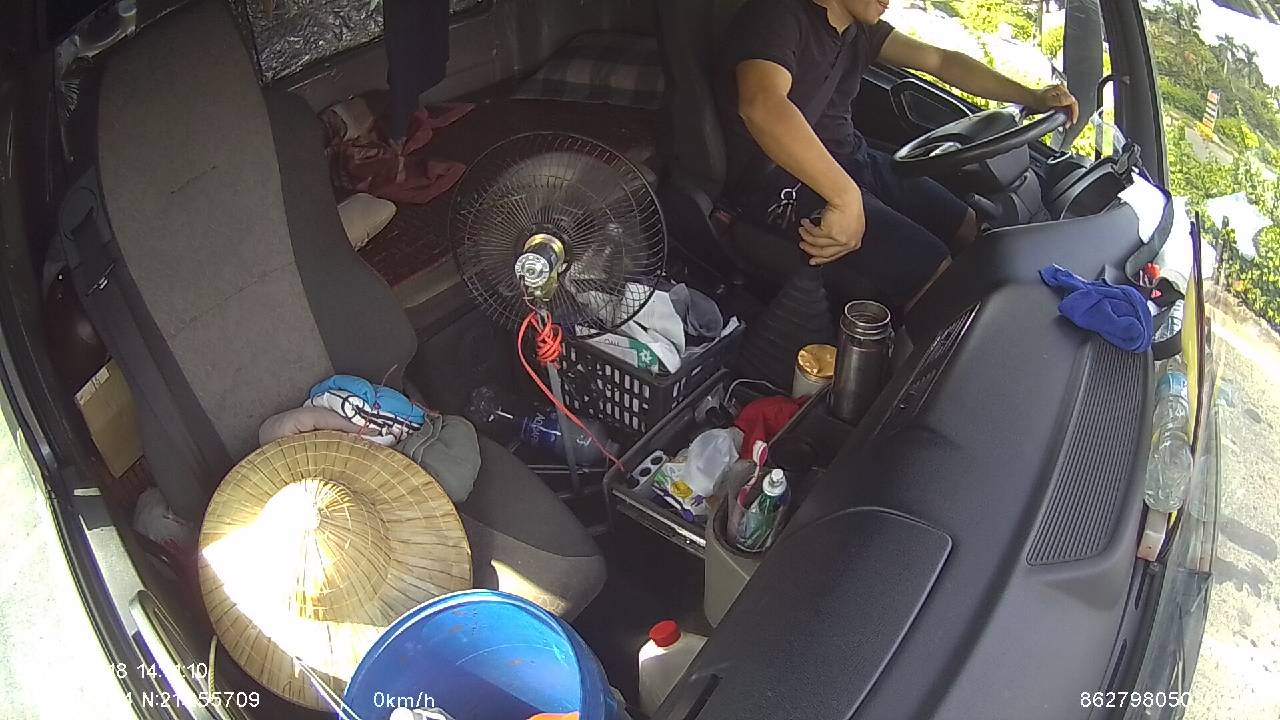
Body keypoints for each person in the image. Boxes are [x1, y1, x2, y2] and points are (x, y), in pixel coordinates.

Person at [717, 0, 1080, 313]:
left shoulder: (859, 29)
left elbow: (941, 61)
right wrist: (845, 197)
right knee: (932, 266)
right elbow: (762, 104)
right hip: (777, 181)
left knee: (967, 225)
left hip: (851, 158)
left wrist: (1032, 96)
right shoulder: (778, 15)